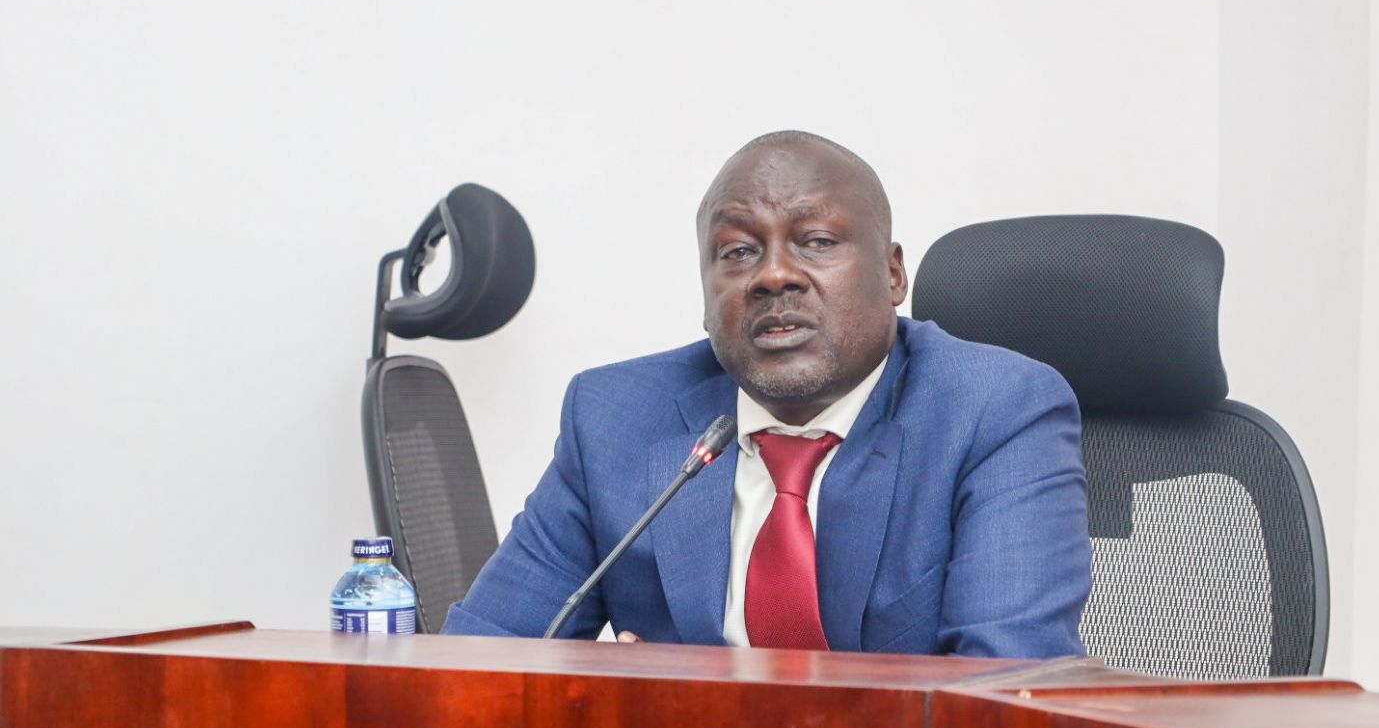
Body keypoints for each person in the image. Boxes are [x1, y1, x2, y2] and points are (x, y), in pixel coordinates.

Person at [442, 131, 1091, 657]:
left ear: (893, 273)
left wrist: (696, 715)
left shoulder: (993, 411)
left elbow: (1002, 693)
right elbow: (480, 662)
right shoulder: (616, 418)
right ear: (705, 295)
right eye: (737, 252)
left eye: (817, 241)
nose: (774, 275)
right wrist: (607, 702)